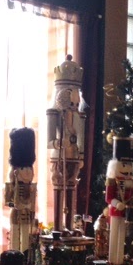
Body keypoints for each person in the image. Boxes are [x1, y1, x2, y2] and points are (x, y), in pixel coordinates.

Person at [47, 54, 88, 231]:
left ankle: (69, 225)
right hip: (58, 156)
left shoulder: (79, 115)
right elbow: (49, 141)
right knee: (58, 188)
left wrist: (81, 155)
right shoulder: (53, 113)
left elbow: (81, 138)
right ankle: (58, 226)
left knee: (71, 188)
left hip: (73, 157)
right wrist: (58, 143)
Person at [4, 127, 37, 254]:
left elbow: (32, 201)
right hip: (17, 213)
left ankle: (25, 259)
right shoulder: (13, 182)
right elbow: (8, 201)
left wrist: (31, 210)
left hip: (27, 213)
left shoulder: (31, 185)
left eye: (29, 169)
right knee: (15, 238)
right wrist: (16, 204)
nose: (27, 173)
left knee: (26, 239)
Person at [105, 136, 133, 265]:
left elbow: (130, 197)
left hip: (125, 213)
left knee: (122, 235)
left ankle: (120, 260)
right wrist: (117, 204)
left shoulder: (130, 182)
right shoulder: (112, 181)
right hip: (115, 211)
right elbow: (108, 198)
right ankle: (112, 260)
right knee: (114, 235)